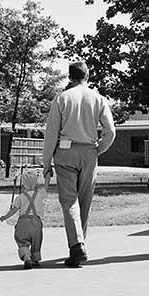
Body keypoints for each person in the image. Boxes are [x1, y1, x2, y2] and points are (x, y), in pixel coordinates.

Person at [43, 61, 116, 267]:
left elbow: (51, 134)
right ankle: (80, 243)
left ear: (69, 77)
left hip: (65, 152)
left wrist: (46, 162)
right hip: (89, 151)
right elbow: (110, 132)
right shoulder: (98, 98)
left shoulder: (62, 98)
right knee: (85, 200)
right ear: (88, 75)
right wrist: (99, 149)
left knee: (69, 200)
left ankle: (77, 245)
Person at [0, 169, 49, 269]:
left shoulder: (20, 197)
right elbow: (46, 185)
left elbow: (14, 210)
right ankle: (35, 258)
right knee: (37, 240)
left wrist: (5, 217)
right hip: (36, 222)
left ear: (23, 185)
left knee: (22, 241)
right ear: (36, 184)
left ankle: (26, 255)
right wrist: (48, 175)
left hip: (23, 222)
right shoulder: (40, 194)